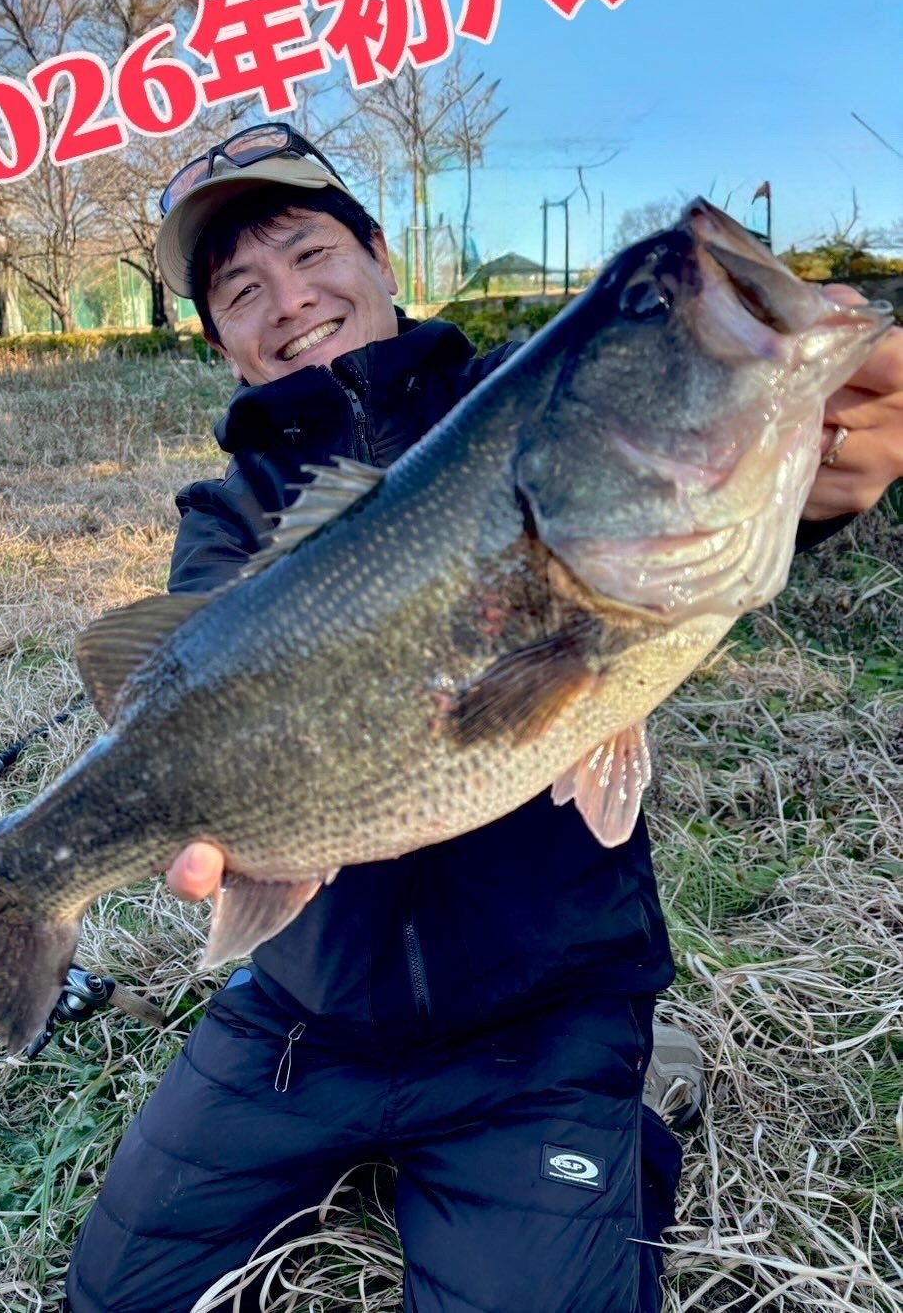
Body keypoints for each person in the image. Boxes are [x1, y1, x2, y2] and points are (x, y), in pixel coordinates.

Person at [66, 125, 903, 1313]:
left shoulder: (516, 396)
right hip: (304, 1021)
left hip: (539, 1020)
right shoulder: (227, 513)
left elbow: (655, 508)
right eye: (241, 290)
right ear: (219, 342)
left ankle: (610, 1123)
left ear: (380, 255)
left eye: (310, 252)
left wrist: (816, 472)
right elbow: (200, 668)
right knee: (116, 1294)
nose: (288, 299)